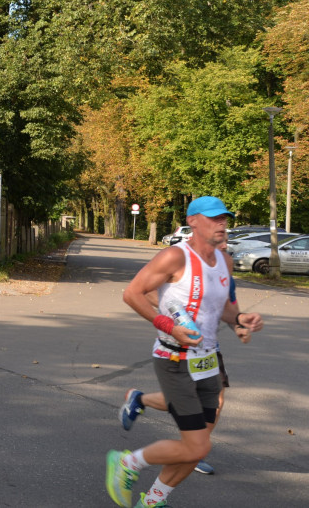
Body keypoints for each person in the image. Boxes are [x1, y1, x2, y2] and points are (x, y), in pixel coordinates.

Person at [106, 196, 264, 508]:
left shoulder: (225, 261)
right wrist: (169, 325)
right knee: (195, 447)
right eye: (213, 218)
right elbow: (132, 293)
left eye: (224, 218)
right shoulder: (175, 257)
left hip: (207, 359)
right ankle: (127, 463)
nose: (221, 224)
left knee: (198, 448)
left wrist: (240, 320)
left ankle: (151, 502)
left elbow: (226, 308)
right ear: (193, 221)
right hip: (174, 359)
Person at [120, 241, 252, 476]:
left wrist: (238, 326)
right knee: (191, 399)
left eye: (224, 240)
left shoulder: (223, 267)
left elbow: (228, 307)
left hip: (208, 349)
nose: (221, 245)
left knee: (215, 400)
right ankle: (192, 449)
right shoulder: (182, 262)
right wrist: (173, 314)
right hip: (177, 347)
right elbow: (146, 292)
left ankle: (193, 447)